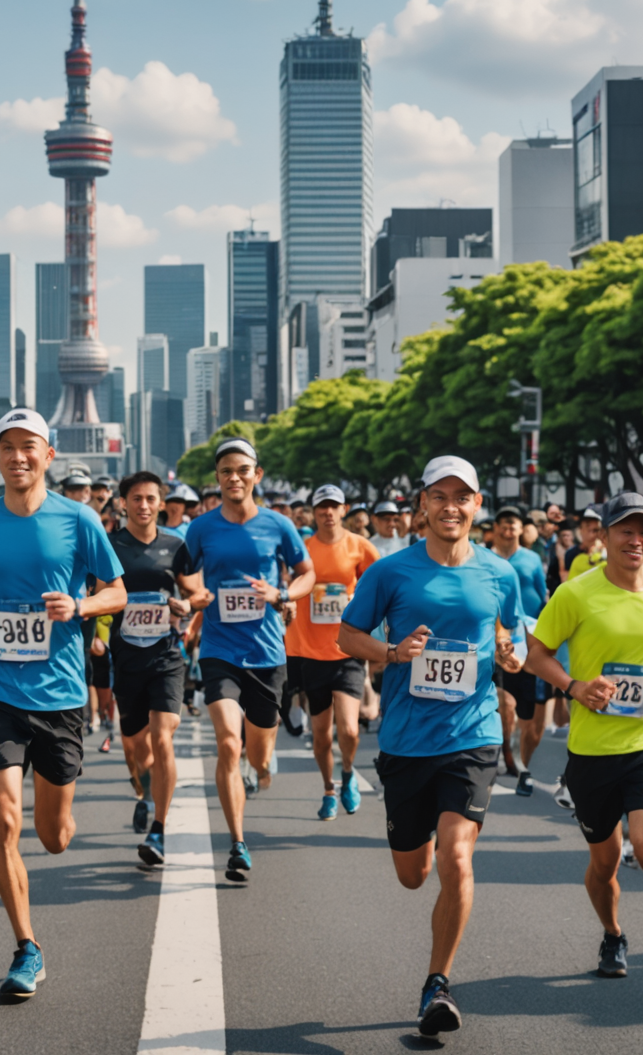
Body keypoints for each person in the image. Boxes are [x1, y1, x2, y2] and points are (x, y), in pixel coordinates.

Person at [0, 408, 125, 1000]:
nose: (18, 456)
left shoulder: (79, 519)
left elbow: (116, 590)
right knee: (4, 816)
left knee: (54, 835)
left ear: (48, 454)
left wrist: (82, 608)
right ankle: (25, 946)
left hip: (62, 693)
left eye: (30, 447)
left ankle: (60, 809)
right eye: (8, 447)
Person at [335, 456, 523, 1037]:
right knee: (414, 873)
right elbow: (347, 635)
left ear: (477, 506)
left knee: (457, 856)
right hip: (406, 741)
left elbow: (511, 630)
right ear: (422, 505)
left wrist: (512, 651)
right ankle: (433, 938)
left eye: (462, 497)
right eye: (439, 496)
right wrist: (392, 654)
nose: (451, 507)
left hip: (473, 734)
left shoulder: (498, 572)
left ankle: (437, 983)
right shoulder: (391, 573)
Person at [523, 491, 643, 977]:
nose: (635, 540)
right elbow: (537, 654)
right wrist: (574, 686)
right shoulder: (576, 592)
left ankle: (641, 828)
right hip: (592, 750)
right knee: (605, 864)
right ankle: (613, 935)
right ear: (604, 536)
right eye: (625, 530)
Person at [182, 438, 313, 883]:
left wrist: (283, 595)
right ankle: (237, 843)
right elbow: (183, 569)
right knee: (227, 743)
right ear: (217, 480)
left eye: (242, 470)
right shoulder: (201, 529)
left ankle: (261, 768)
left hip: (267, 653)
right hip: (219, 650)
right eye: (225, 472)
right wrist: (194, 593)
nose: (234, 478)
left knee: (259, 753)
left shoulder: (278, 525)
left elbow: (306, 573)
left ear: (257, 475)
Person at [104, 471, 206, 866]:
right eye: (136, 499)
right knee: (134, 749)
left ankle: (159, 828)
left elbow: (197, 591)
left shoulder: (175, 545)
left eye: (151, 498)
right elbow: (96, 593)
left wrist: (188, 604)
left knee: (163, 737)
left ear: (161, 503)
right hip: (126, 659)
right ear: (123, 503)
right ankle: (143, 792)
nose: (143, 505)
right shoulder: (110, 546)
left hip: (166, 655)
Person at [286, 484, 378, 821]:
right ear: (314, 511)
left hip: (348, 649)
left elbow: (379, 585)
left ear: (344, 510)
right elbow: (291, 584)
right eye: (321, 507)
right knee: (322, 735)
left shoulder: (360, 547)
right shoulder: (303, 549)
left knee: (350, 730)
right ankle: (328, 788)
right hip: (312, 652)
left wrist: (361, 604)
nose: (327, 512)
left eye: (333, 507)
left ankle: (349, 773)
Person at [489, 505, 552, 794]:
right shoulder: (484, 557)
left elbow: (544, 597)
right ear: (495, 528)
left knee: (533, 723)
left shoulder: (531, 559)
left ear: (519, 528)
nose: (507, 529)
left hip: (530, 642)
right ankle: (505, 757)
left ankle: (523, 766)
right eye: (502, 523)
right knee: (506, 706)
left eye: (512, 523)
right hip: (494, 641)